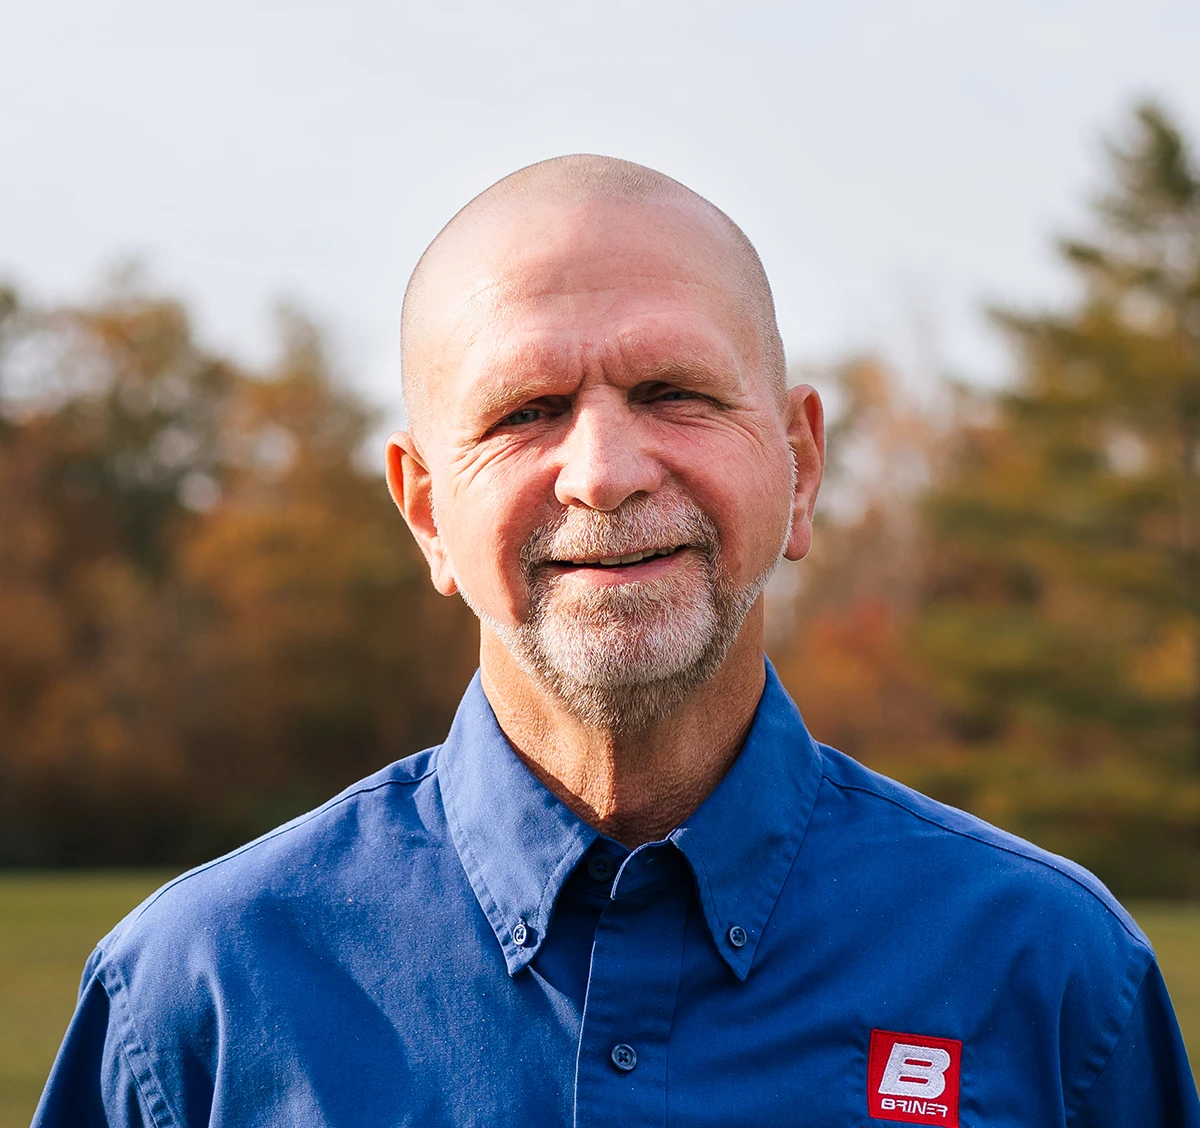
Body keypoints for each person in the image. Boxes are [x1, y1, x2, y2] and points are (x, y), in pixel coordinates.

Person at [34, 156, 1199, 1127]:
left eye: (674, 391)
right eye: (526, 412)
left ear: (799, 466)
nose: (604, 471)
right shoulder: (198, 1002)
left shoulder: (1049, 976)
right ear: (428, 510)